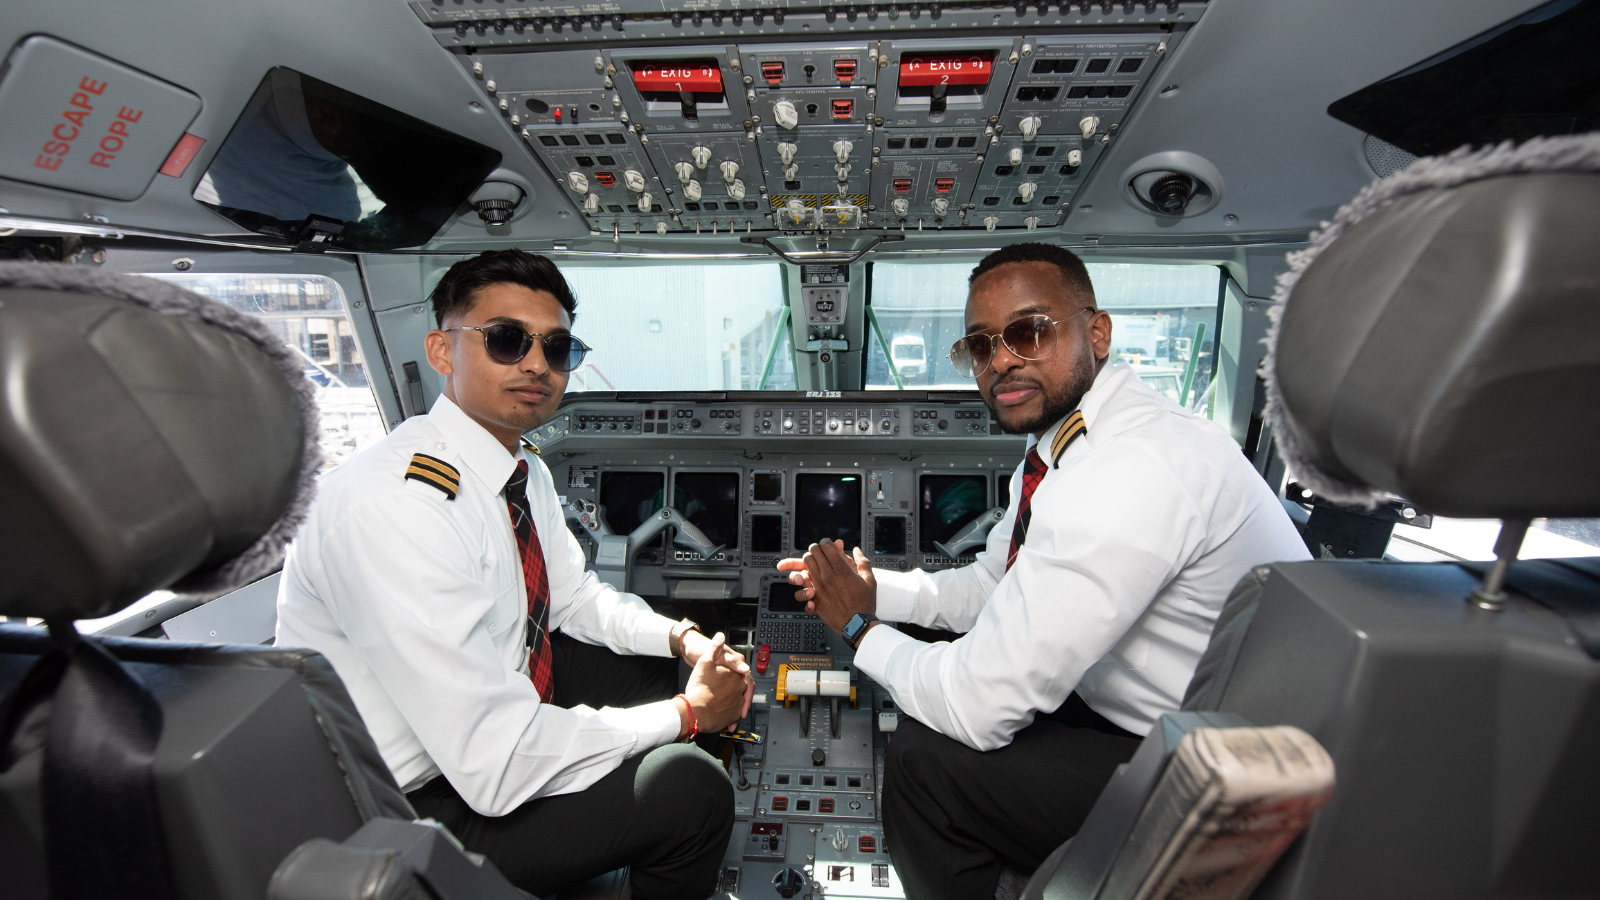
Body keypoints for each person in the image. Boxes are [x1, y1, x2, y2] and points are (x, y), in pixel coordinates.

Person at [779, 243, 1310, 900]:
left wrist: (857, 627)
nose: (1002, 360)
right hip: (1169, 713)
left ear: (1098, 332)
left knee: (924, 759)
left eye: (1029, 331)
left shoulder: (1132, 467)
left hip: (1228, 781)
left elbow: (978, 711)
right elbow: (994, 585)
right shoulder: (1061, 443)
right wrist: (877, 590)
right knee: (948, 657)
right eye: (980, 346)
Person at [276, 249, 752, 899]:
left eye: (556, 348)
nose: (535, 364)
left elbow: (575, 599)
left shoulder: (519, 469)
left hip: (482, 717)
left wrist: (684, 640)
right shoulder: (396, 506)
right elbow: (494, 760)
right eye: (506, 340)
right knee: (694, 792)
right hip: (405, 801)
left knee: (653, 664)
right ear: (443, 351)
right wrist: (688, 716)